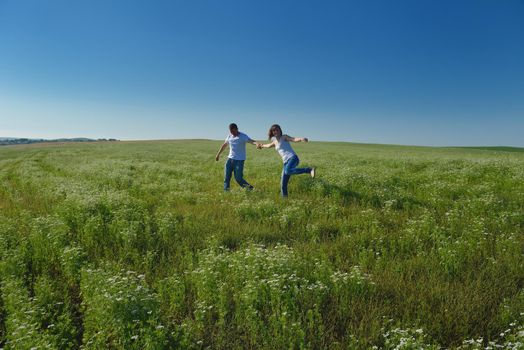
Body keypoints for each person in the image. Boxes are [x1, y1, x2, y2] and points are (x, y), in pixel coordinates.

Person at [257, 124, 315, 197]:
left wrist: (301, 139)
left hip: (292, 158)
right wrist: (261, 146)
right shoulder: (275, 141)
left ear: (280, 130)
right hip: (286, 162)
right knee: (283, 183)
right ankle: (285, 199)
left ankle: (309, 170)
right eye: (274, 131)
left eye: (277, 130)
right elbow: (268, 146)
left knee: (288, 171)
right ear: (272, 132)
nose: (275, 132)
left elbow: (293, 139)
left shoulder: (284, 137)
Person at [215, 123, 260, 191]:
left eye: (233, 131)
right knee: (227, 177)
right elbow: (224, 145)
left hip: (239, 160)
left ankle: (251, 189)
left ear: (237, 129)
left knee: (238, 178)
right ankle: (226, 192)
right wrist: (218, 154)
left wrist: (257, 143)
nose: (232, 133)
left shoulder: (243, 136)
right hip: (230, 159)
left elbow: (251, 141)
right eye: (231, 131)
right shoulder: (229, 136)